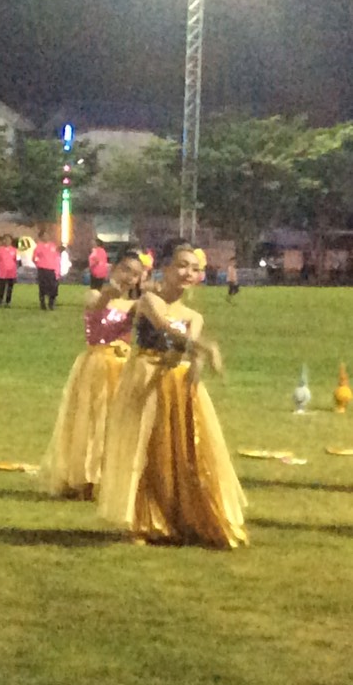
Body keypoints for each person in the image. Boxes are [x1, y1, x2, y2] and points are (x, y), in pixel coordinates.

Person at [97, 244, 244, 548]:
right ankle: (144, 519)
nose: (188, 273)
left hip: (176, 382)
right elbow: (165, 328)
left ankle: (183, 515)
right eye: (182, 265)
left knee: (181, 449)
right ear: (166, 269)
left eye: (194, 268)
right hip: (145, 377)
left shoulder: (193, 316)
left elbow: (184, 347)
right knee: (147, 448)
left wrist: (196, 361)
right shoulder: (149, 300)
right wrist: (205, 348)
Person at [38, 250, 145, 500]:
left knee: (118, 422)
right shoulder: (95, 294)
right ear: (113, 269)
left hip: (124, 367)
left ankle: (111, 475)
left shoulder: (135, 305)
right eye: (125, 270)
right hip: (97, 366)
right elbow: (97, 307)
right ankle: (85, 476)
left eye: (135, 274)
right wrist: (110, 293)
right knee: (91, 421)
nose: (129, 277)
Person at [35, 231, 61, 310]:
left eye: (47, 235)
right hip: (42, 269)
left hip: (51, 269)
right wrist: (39, 263)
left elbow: (56, 257)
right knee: (43, 286)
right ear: (41, 237)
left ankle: (51, 303)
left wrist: (57, 269)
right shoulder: (38, 247)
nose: (46, 237)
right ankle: (42, 303)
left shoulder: (53, 246)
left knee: (52, 287)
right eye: (44, 236)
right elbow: (35, 257)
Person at [0, 235, 19, 307]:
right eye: (5, 240)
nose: (7, 241)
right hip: (2, 272)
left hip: (11, 272)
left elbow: (17, 260)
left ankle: (8, 301)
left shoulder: (14, 250)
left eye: (8, 240)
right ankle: (0, 301)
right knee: (2, 287)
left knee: (10, 288)